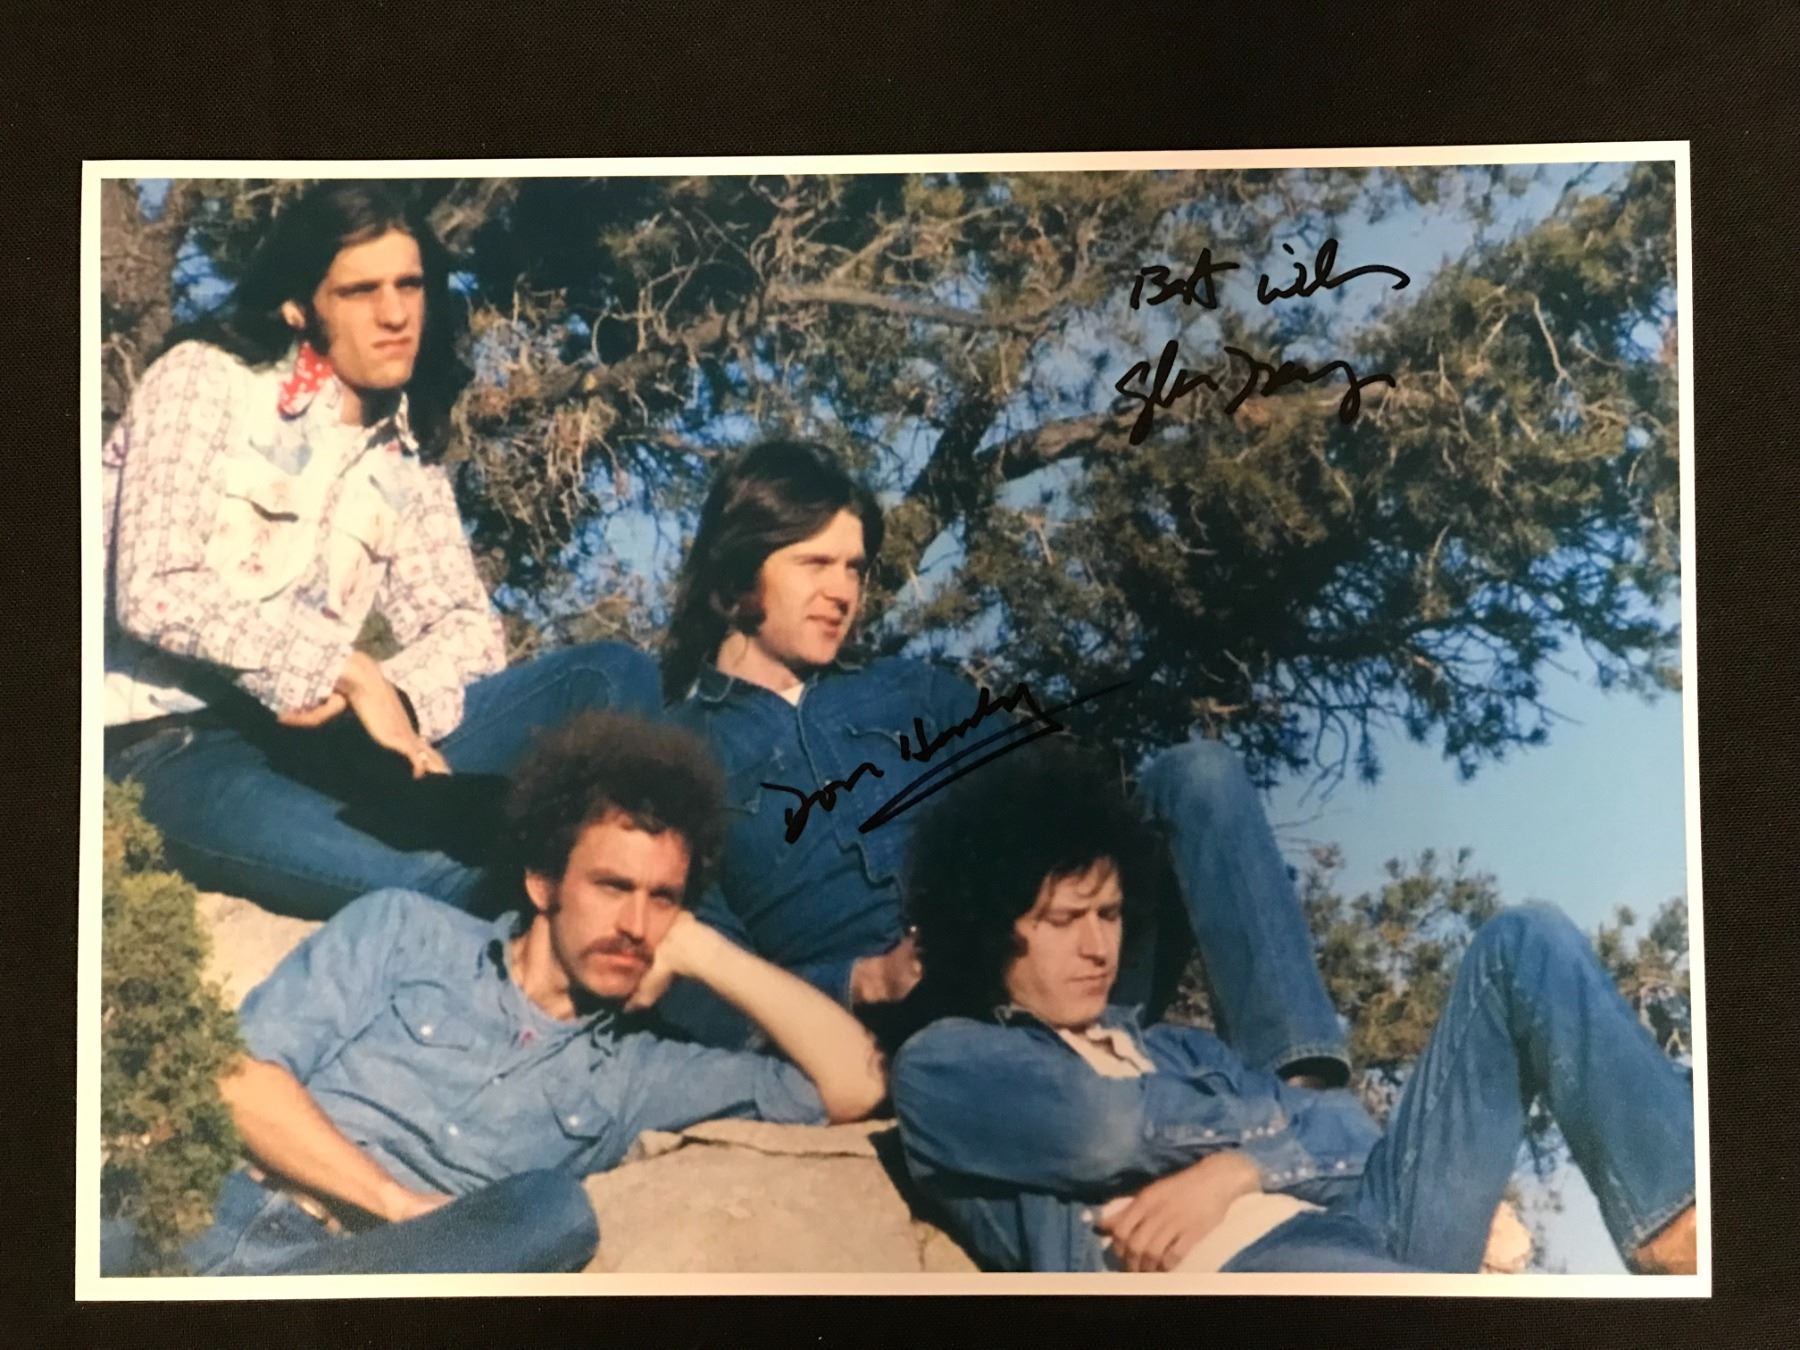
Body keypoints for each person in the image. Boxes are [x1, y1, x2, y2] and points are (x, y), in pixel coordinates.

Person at [654, 439, 1346, 1088]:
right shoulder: (677, 759)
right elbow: (702, 976)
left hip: (1038, 963)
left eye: (854, 569)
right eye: (815, 564)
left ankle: (1303, 1086)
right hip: (898, 1031)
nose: (843, 592)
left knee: (1200, 775)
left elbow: (1062, 813)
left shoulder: (913, 690)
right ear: (740, 573)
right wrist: (861, 979)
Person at [101, 712, 887, 1277]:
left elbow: (853, 1084)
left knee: (554, 1211)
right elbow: (237, 1077)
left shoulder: (639, 1074)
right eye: (613, 886)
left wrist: (706, 950)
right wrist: (395, 1202)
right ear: (543, 880)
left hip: (366, 1276)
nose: (636, 924)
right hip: (214, 1210)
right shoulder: (405, 930)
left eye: (664, 899)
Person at [889, 739, 1698, 1275]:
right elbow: (1108, 1131)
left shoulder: (1177, 1051)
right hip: (1251, 1276)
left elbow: (1346, 1125)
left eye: (1110, 914)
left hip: (1369, 1221)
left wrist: (1236, 1170)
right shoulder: (945, 1062)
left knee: (1527, 942)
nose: (1099, 946)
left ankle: (1680, 1235)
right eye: (1067, 920)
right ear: (989, 929)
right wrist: (1281, 1139)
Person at [102, 181, 658, 919]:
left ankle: (688, 921)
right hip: (172, 747)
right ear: (299, 306)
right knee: (441, 882)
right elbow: (156, 589)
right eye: (360, 291)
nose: (395, 314)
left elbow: (466, 631)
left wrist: (391, 703)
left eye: (409, 285)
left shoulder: (404, 451)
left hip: (327, 745)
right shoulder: (205, 379)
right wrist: (346, 672)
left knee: (609, 676)